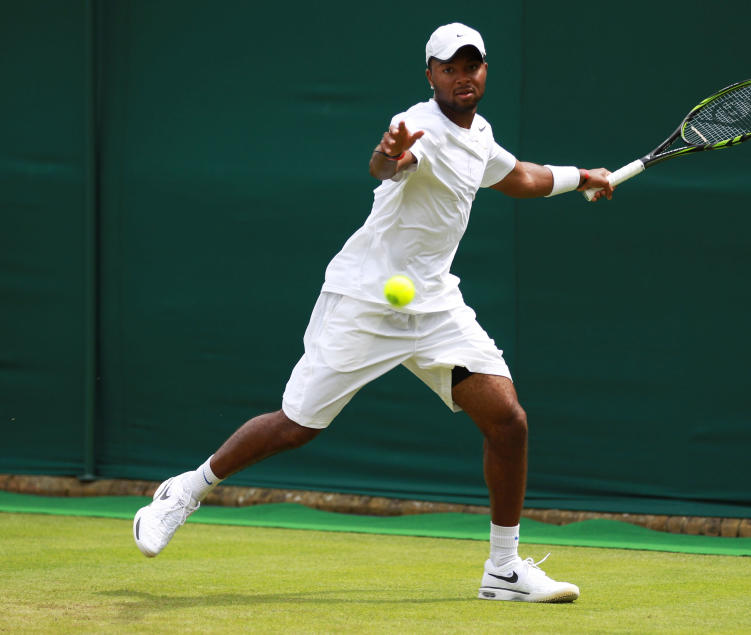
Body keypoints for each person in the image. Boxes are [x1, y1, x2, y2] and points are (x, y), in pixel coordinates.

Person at [133, 22, 613, 604]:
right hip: (366, 300)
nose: (463, 76)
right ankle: (185, 490)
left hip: (434, 306)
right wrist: (389, 156)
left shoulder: (479, 134)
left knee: (507, 419)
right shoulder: (418, 128)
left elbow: (517, 176)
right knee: (296, 426)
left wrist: (582, 177)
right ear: (430, 74)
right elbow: (388, 166)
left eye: (472, 65)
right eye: (449, 67)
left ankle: (504, 570)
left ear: (485, 69)